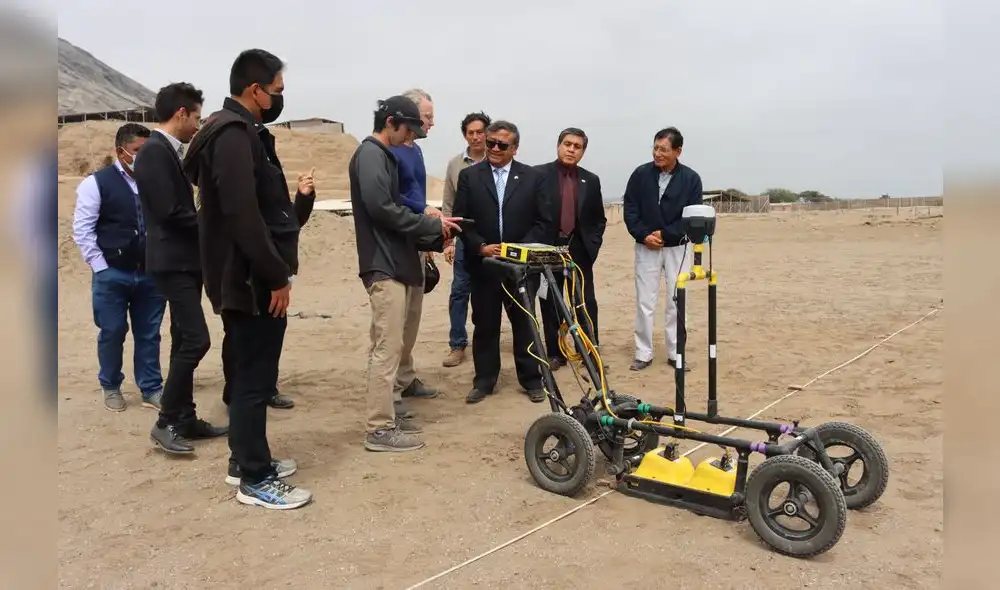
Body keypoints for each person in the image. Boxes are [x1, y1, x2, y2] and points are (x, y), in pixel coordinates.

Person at [183, 48, 311, 509]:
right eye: (276, 90)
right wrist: (275, 276)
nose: (280, 98)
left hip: (245, 277)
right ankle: (255, 479)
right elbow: (243, 214)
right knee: (254, 379)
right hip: (250, 281)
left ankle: (244, 459)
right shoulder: (234, 135)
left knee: (248, 374)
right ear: (254, 90)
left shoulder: (237, 133)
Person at [349, 95, 461, 452]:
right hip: (383, 264)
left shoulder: (383, 155)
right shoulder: (371, 154)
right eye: (408, 129)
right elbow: (383, 209)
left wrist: (433, 232)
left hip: (395, 260)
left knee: (392, 344)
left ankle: (386, 418)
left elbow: (395, 208)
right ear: (391, 122)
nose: (410, 137)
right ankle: (379, 429)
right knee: (387, 348)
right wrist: (429, 226)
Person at [134, 82, 227, 454]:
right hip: (172, 261)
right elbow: (169, 212)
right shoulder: (154, 152)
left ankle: (185, 418)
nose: (197, 126)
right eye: (196, 118)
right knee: (196, 340)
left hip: (186, 260)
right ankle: (165, 421)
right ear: (181, 113)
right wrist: (213, 222)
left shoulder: (169, 152)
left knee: (181, 339)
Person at [452, 120, 554, 404]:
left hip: (521, 268)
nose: (495, 148)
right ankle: (484, 381)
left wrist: (517, 251)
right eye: (491, 143)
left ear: (515, 148)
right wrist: (480, 247)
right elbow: (463, 221)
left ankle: (531, 379)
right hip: (484, 266)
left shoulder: (533, 178)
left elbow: (544, 222)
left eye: (502, 144)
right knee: (485, 324)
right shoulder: (469, 177)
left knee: (525, 323)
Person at [72, 123, 166, 412]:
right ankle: (111, 385)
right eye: (138, 151)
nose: (143, 157)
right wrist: (101, 267)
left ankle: (151, 388)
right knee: (112, 331)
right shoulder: (96, 184)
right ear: (121, 151)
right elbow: (83, 230)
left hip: (151, 273)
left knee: (149, 333)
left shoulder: (157, 182)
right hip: (112, 273)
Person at [623, 127, 703, 372]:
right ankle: (643, 353)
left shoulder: (691, 179)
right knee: (645, 301)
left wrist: (666, 234)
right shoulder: (640, 174)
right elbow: (630, 209)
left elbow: (692, 216)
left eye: (664, 150)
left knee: (677, 301)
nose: (658, 153)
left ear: (678, 151)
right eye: (655, 148)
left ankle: (676, 353)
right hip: (646, 246)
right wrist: (643, 235)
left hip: (678, 248)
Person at [385, 88, 441, 410]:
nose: (432, 123)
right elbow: (393, 196)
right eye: (427, 117)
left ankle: (405, 378)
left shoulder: (416, 151)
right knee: (395, 321)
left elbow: (415, 192)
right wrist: (423, 210)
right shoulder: (388, 150)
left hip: (416, 241)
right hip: (395, 244)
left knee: (413, 317)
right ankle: (390, 390)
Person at [535, 127, 607, 369]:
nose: (571, 149)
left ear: (583, 152)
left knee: (585, 302)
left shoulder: (591, 180)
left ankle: (588, 351)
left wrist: (592, 246)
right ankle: (556, 353)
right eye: (567, 144)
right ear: (558, 145)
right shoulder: (538, 175)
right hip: (547, 250)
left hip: (578, 251)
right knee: (550, 301)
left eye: (577, 146)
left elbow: (598, 219)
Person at [440, 111, 491, 368]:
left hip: (493, 238)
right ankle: (457, 344)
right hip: (463, 238)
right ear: (465, 135)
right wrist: (448, 242)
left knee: (495, 291)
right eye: (470, 132)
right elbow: (448, 204)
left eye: (480, 132)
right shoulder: (455, 165)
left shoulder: (498, 160)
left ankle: (489, 342)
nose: (475, 137)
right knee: (460, 291)